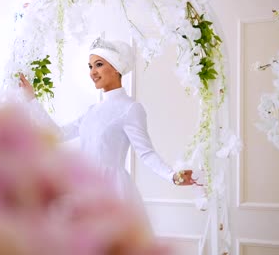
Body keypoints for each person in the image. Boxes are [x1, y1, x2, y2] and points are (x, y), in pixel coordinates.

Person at [20, 37, 199, 202]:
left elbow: (146, 153)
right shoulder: (92, 111)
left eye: (98, 64)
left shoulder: (130, 109)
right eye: (90, 67)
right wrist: (32, 100)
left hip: (112, 192)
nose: (92, 72)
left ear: (116, 68)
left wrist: (172, 176)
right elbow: (58, 135)